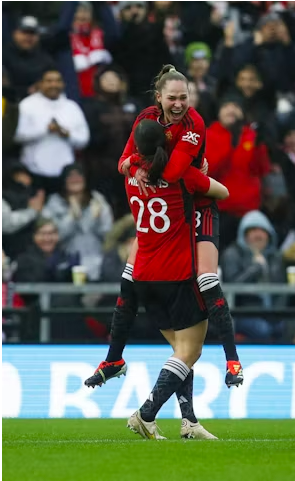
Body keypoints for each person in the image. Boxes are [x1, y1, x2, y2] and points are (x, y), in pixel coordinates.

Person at [84, 65, 243, 390]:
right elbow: (123, 160)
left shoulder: (194, 124)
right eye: (172, 98)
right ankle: (115, 360)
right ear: (158, 98)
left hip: (196, 205)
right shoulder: (146, 117)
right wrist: (132, 164)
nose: (179, 104)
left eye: (184, 97)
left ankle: (233, 360)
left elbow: (170, 173)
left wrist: (137, 166)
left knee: (206, 280)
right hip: (171, 212)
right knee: (130, 285)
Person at [123, 119, 228, 439]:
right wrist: (201, 172)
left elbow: (126, 163)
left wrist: (129, 163)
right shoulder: (181, 174)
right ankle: (145, 413)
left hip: (143, 273)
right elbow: (223, 192)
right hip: (174, 273)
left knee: (180, 352)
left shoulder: (131, 176)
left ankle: (189, 422)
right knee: (189, 350)